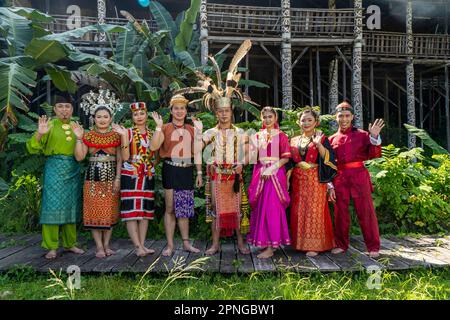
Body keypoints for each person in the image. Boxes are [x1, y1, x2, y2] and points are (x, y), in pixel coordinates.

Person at [26, 94, 85, 259]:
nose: (64, 110)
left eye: (67, 107)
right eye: (60, 106)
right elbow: (32, 148)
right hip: (54, 169)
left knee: (71, 205)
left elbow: (82, 151)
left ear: (72, 109)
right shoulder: (49, 125)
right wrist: (39, 133)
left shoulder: (76, 126)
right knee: (51, 206)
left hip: (73, 168)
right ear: (55, 109)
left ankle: (70, 243)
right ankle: (51, 246)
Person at [328, 101, 385, 258]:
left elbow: (375, 155)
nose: (344, 119)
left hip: (359, 176)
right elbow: (329, 164)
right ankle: (341, 244)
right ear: (336, 117)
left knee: (366, 211)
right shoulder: (331, 139)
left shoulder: (362, 135)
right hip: (339, 178)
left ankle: (373, 246)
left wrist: (374, 136)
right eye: (341, 116)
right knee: (340, 213)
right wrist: (329, 184)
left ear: (352, 117)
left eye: (347, 116)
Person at [150, 94, 203, 256]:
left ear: (186, 111)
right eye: (176, 109)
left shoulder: (192, 129)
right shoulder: (165, 128)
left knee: (184, 208)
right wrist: (158, 127)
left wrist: (199, 172)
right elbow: (154, 147)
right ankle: (170, 245)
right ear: (171, 111)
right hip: (171, 169)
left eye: (182, 108)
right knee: (170, 208)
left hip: (187, 169)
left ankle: (186, 243)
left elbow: (197, 151)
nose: (179, 112)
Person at [73, 105, 122, 258]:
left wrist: (118, 178)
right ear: (94, 119)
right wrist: (79, 138)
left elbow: (120, 160)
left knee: (109, 211)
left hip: (111, 176)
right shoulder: (88, 135)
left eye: (105, 117)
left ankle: (107, 245)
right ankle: (99, 247)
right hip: (92, 179)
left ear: (111, 118)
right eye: (99, 116)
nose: (102, 119)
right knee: (93, 211)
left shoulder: (117, 135)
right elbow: (80, 157)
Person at [289, 107, 337, 257]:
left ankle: (315, 245)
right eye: (303, 120)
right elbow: (289, 161)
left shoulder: (322, 138)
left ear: (316, 122)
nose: (306, 123)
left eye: (310, 120)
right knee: (298, 210)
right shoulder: (294, 140)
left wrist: (319, 145)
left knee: (314, 211)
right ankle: (299, 243)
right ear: (298, 122)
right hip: (298, 179)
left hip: (315, 179)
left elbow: (329, 159)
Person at [112, 102, 159, 257]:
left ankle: (143, 244)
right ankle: (137, 246)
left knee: (145, 211)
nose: (139, 117)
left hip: (147, 174)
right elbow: (125, 157)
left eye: (142, 113)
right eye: (135, 114)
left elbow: (156, 156)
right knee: (132, 210)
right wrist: (124, 137)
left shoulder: (152, 134)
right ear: (132, 117)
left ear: (146, 115)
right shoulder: (128, 133)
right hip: (130, 173)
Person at [246, 106, 291, 259]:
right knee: (260, 207)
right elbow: (252, 158)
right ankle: (265, 242)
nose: (267, 119)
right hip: (260, 173)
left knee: (272, 207)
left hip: (275, 173)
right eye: (264, 117)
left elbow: (285, 158)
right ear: (261, 118)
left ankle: (273, 246)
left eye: (270, 116)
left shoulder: (282, 136)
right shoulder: (257, 136)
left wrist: (271, 169)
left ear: (275, 118)